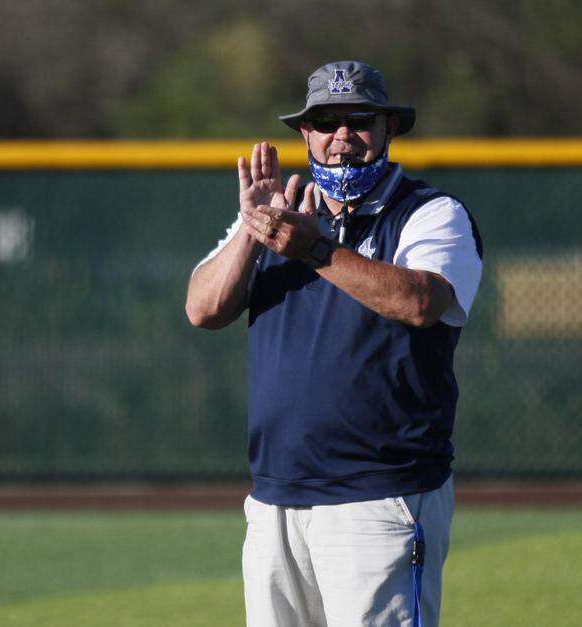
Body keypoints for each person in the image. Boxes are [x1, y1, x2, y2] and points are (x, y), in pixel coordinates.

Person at [185, 60, 483, 626]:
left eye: (359, 119)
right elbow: (202, 308)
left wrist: (316, 251)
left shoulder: (429, 213)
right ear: (306, 133)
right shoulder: (281, 216)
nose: (342, 135)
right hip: (277, 497)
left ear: (388, 128)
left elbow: (420, 303)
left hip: (381, 497)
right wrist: (253, 228)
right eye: (326, 121)